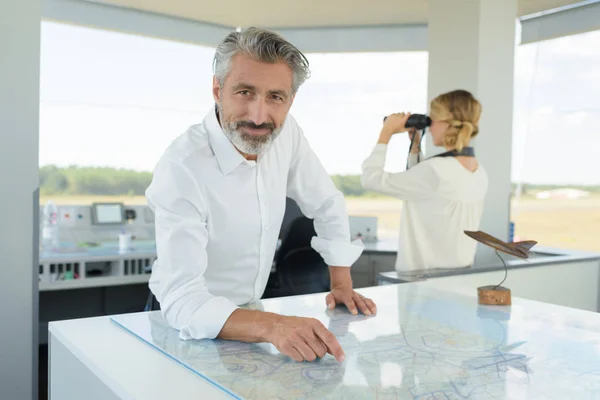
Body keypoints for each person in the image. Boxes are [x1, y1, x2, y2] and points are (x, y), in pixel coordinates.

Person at [145, 27, 377, 363]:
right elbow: (181, 298)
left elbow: (326, 202)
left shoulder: (287, 134)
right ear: (217, 89)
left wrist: (340, 282)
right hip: (187, 322)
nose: (258, 116)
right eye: (244, 92)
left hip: (254, 315)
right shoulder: (181, 166)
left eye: (275, 97)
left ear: (290, 100)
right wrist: (274, 327)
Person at [361, 90, 488, 273]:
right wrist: (415, 144)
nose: (430, 127)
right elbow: (424, 192)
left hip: (421, 282)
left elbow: (370, 180)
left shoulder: (435, 171)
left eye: (432, 120)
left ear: (446, 123)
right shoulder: (478, 171)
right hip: (460, 277)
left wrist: (385, 134)